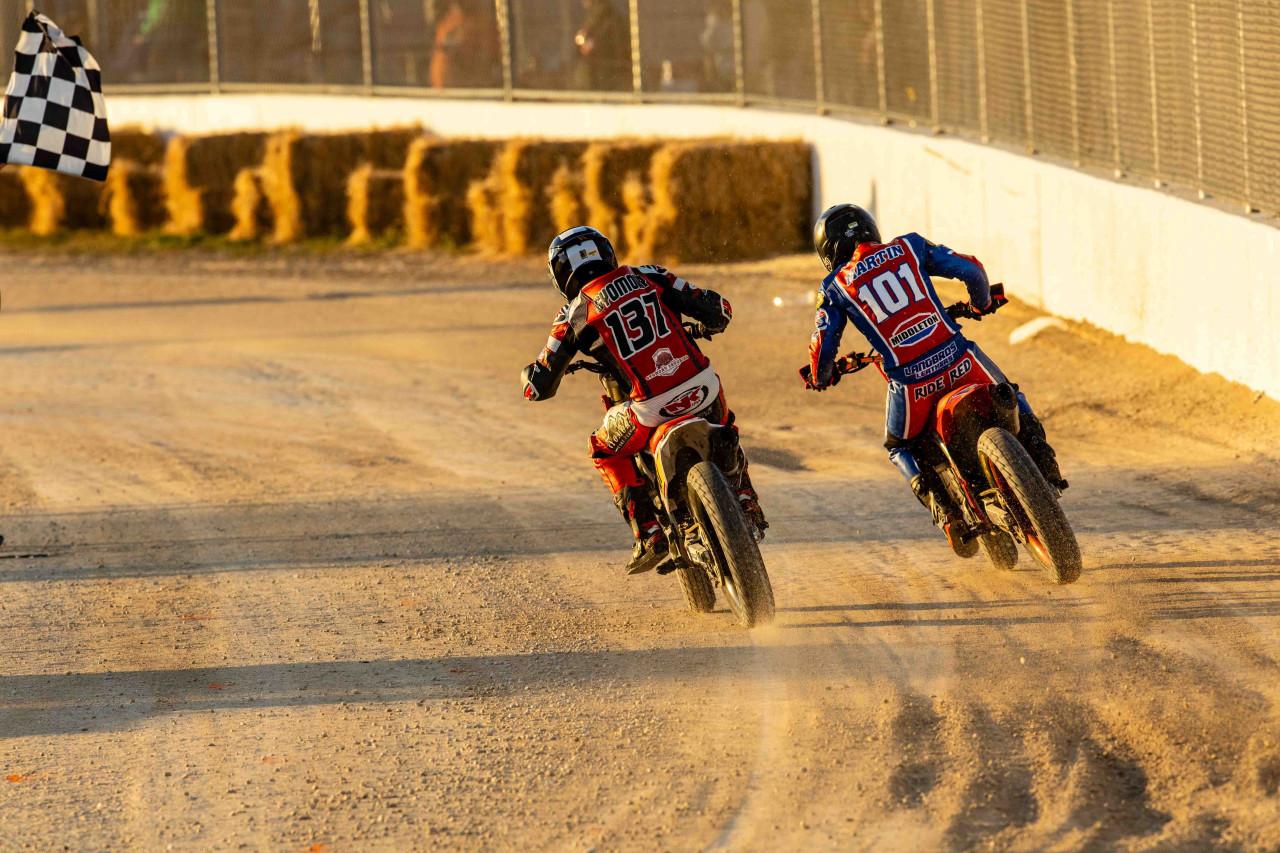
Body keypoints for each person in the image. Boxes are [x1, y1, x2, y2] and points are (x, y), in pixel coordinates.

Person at [804, 204, 1067, 549]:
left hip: (912, 385)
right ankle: (1046, 465)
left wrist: (821, 376)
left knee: (898, 446)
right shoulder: (909, 245)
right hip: (961, 361)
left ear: (828, 252)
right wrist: (981, 303)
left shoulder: (834, 286)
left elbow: (823, 345)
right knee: (1012, 395)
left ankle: (947, 514)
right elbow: (971, 269)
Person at [522, 226, 766, 574]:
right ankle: (745, 497)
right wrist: (706, 324)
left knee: (602, 449)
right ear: (607, 253)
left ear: (561, 275)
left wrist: (529, 378)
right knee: (725, 424)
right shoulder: (650, 274)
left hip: (648, 408)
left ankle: (648, 533)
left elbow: (539, 386)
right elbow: (720, 310)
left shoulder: (573, 313)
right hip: (703, 387)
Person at [572, 0, 630, 91]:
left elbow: (611, 43)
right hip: (597, 73)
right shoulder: (593, 17)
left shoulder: (605, 17)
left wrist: (592, 44)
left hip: (605, 73)